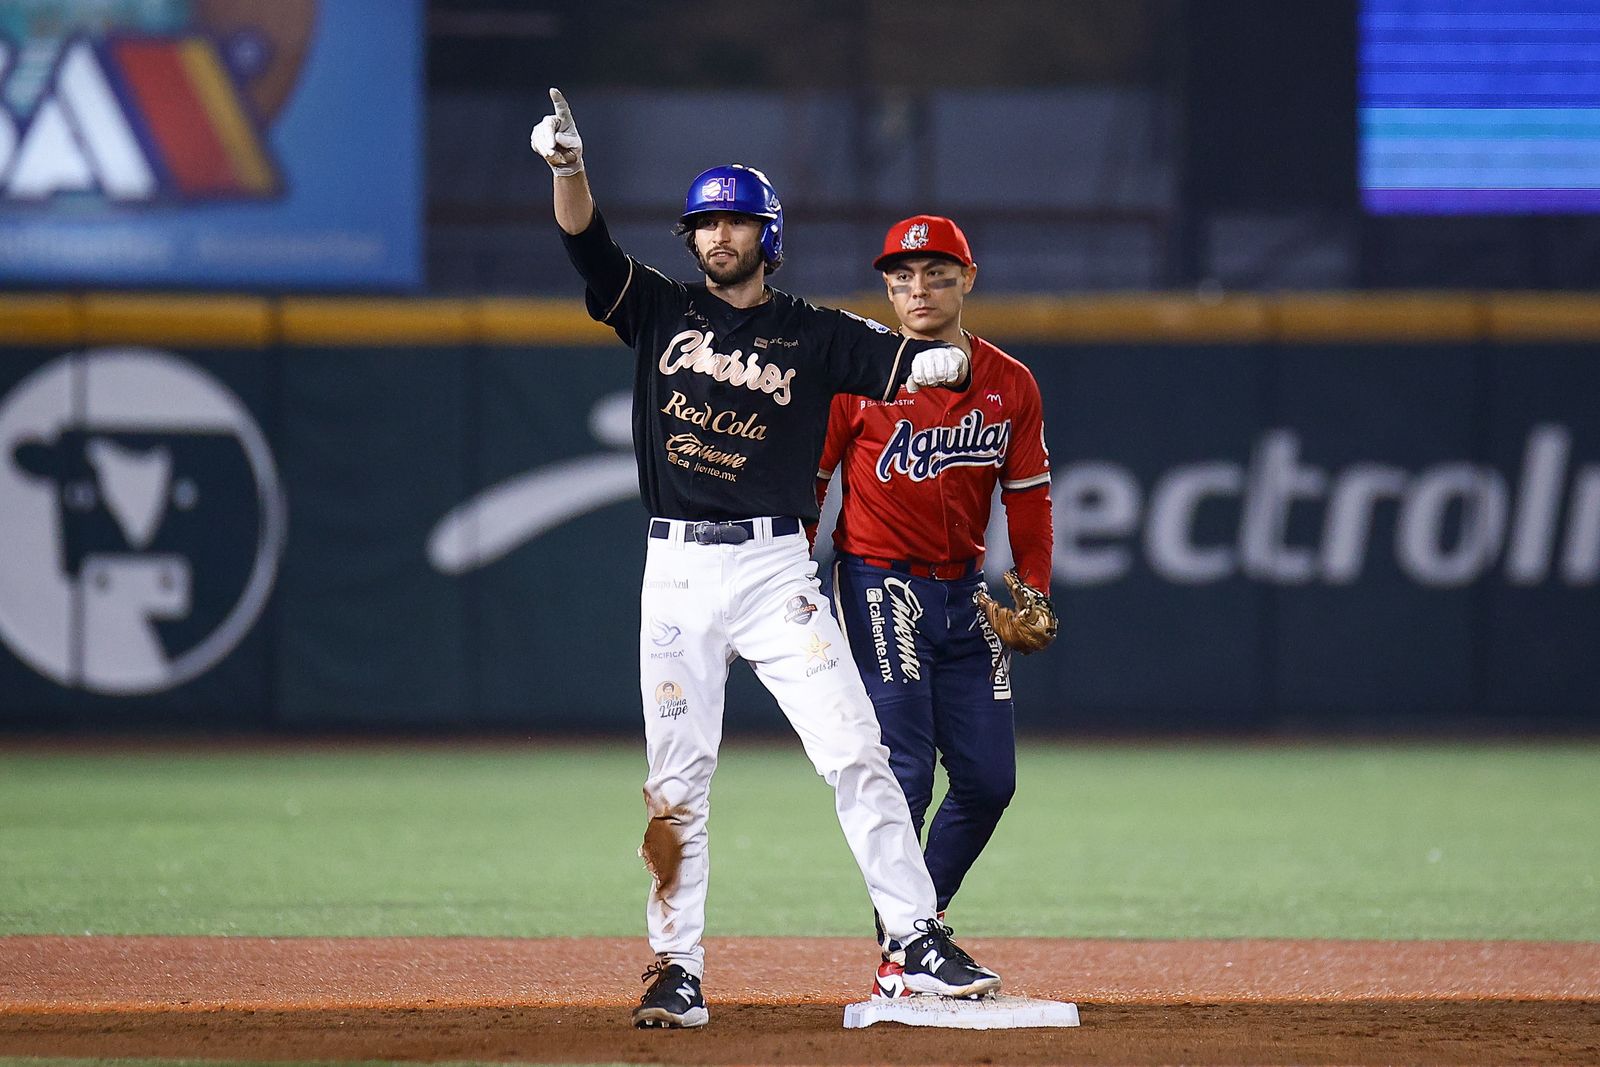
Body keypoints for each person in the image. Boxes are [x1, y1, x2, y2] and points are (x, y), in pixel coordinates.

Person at [529, 90, 1003, 1029]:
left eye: (733, 220)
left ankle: (913, 938)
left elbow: (903, 360)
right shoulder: (659, 310)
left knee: (856, 749)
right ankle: (675, 967)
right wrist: (569, 173)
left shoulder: (813, 330)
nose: (715, 235)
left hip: (776, 572)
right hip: (677, 573)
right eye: (703, 222)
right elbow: (586, 248)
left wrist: (941, 363)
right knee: (675, 780)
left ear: (766, 234)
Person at [814, 214, 1058, 999]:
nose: (918, 290)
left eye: (936, 274)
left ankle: (910, 927)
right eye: (901, 278)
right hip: (878, 580)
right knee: (905, 769)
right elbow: (811, 488)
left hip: (964, 590)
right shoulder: (857, 376)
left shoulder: (1009, 382)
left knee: (989, 779)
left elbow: (1029, 499)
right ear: (887, 287)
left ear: (968, 279)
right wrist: (787, 578)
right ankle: (910, 948)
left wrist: (1034, 587)